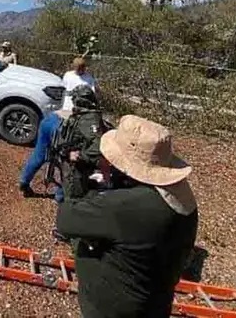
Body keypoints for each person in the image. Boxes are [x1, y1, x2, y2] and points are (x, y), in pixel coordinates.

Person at [56, 115, 199, 318]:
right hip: (156, 302)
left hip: (112, 308)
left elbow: (66, 219)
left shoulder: (122, 207)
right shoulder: (182, 200)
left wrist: (80, 177)